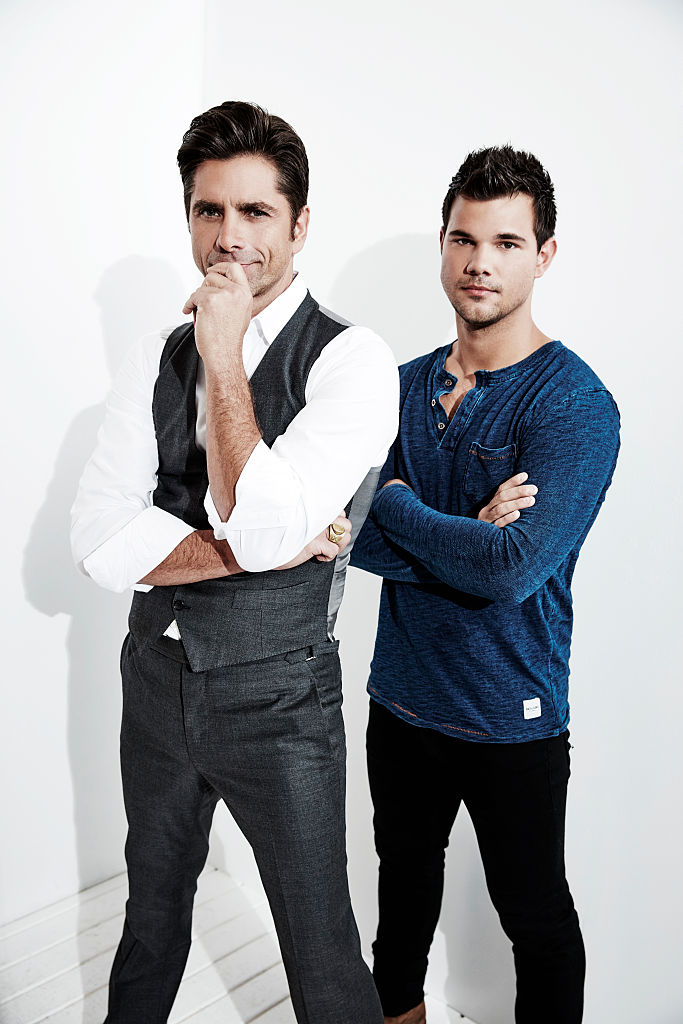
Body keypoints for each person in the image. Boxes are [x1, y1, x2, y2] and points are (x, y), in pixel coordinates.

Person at [70, 100, 400, 1024]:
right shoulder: (151, 352)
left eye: (255, 213)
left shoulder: (353, 360)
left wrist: (223, 348)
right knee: (150, 916)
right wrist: (271, 542)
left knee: (322, 954)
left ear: (299, 224)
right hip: (155, 680)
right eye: (208, 211)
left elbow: (241, 530)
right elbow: (97, 539)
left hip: (279, 700)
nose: (228, 238)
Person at [351, 145, 621, 1024]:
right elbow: (342, 537)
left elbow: (512, 572)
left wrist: (394, 500)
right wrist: (460, 526)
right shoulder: (394, 389)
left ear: (543, 254)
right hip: (400, 701)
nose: (479, 262)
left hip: (512, 715)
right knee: (399, 918)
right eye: (464, 239)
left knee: (537, 922)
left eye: (506, 241)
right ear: (440, 245)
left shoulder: (574, 404)